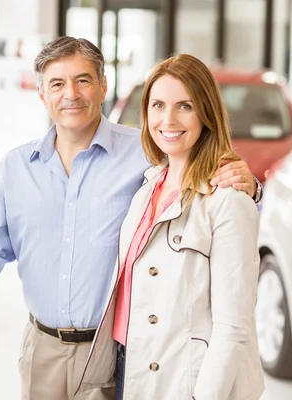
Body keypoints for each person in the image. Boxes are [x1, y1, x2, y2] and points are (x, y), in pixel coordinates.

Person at [0, 37, 260, 400]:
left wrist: (250, 187)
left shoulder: (148, 153)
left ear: (103, 86)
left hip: (114, 353)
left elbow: (208, 197)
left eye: (83, 80)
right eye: (57, 83)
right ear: (41, 95)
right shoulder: (16, 167)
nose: (71, 93)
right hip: (43, 347)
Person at [80, 54, 264, 400]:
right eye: (158, 105)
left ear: (206, 113)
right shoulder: (148, 186)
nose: (168, 119)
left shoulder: (227, 199)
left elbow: (234, 328)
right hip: (129, 365)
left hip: (183, 381)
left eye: (185, 106)